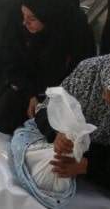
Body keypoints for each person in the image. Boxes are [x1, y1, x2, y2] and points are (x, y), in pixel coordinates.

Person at [0, 0, 94, 134]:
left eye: (32, 18)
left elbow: (82, 76)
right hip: (30, 86)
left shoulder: (76, 29)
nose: (25, 22)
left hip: (61, 94)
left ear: (48, 16)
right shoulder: (21, 24)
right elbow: (12, 62)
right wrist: (30, 94)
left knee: (55, 130)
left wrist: (50, 101)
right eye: (23, 16)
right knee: (2, 117)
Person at [33, 55, 110, 189]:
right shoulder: (88, 71)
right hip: (66, 146)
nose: (105, 98)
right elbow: (44, 109)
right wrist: (57, 132)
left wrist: (87, 166)